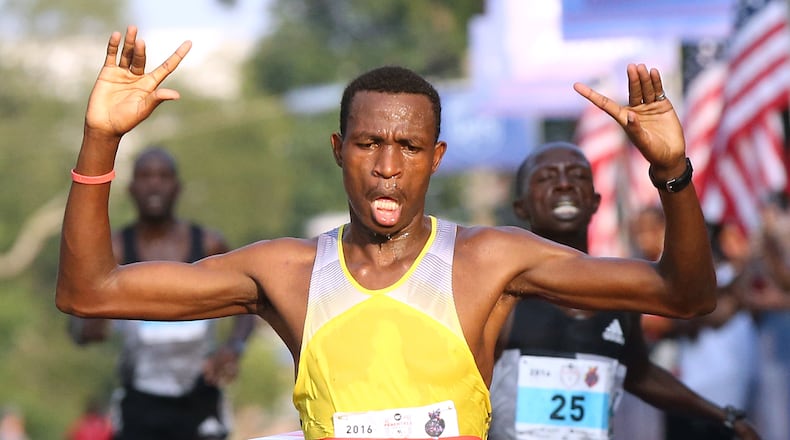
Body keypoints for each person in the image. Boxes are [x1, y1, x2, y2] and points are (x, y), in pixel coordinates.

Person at [56, 25, 717, 439]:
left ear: (437, 156)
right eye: (369, 144)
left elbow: (685, 296)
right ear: (339, 150)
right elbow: (90, 292)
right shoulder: (284, 273)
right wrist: (99, 142)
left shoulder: (487, 261)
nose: (387, 169)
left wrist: (673, 173)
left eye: (409, 147)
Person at [486, 142, 759, 440]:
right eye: (546, 177)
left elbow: (639, 374)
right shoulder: (501, 295)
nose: (564, 184)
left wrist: (722, 416)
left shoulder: (617, 290)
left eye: (577, 175)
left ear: (595, 200)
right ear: (520, 206)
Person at [67, 146, 258, 440]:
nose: (154, 183)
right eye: (145, 176)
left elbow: (251, 301)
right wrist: (88, 325)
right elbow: (76, 316)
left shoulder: (208, 244)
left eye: (163, 176)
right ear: (131, 189)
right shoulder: (114, 250)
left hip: (200, 397)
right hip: (140, 402)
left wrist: (233, 347)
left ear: (177, 187)